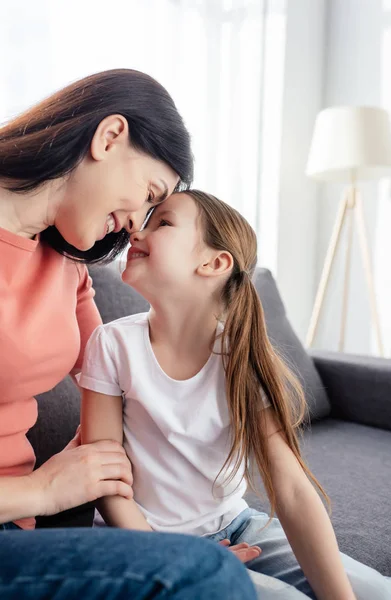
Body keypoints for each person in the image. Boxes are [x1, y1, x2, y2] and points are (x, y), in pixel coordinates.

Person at [0, 70, 256, 600]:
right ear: (109, 137)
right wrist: (41, 489)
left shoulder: (65, 261)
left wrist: (179, 533)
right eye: (149, 194)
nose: (135, 225)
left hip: (25, 528)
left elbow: (127, 382)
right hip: (24, 508)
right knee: (209, 578)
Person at [80, 189, 391, 600]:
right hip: (144, 542)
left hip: (236, 525)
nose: (136, 232)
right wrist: (179, 557)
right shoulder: (112, 344)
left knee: (377, 593)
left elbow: (292, 489)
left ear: (214, 263)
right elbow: (106, 481)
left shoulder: (240, 356)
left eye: (162, 222)